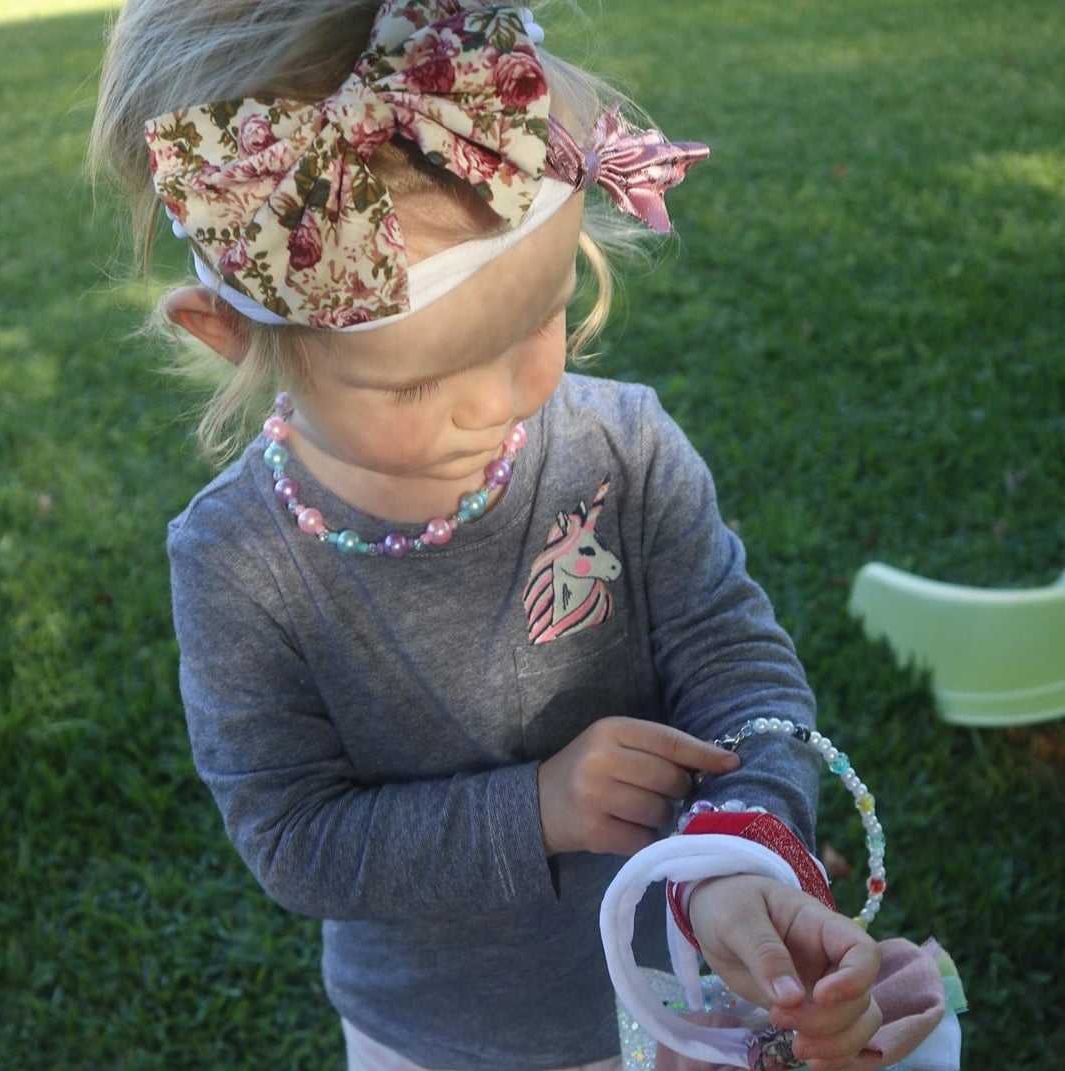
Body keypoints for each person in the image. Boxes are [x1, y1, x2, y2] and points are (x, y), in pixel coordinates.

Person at [90, 2, 885, 1069]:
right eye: (419, 378)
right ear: (228, 331)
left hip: (682, 985)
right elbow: (295, 839)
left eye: (541, 315)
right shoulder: (242, 564)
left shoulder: (621, 452)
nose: (508, 397)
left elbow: (741, 673)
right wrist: (537, 810)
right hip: (433, 1037)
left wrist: (741, 846)